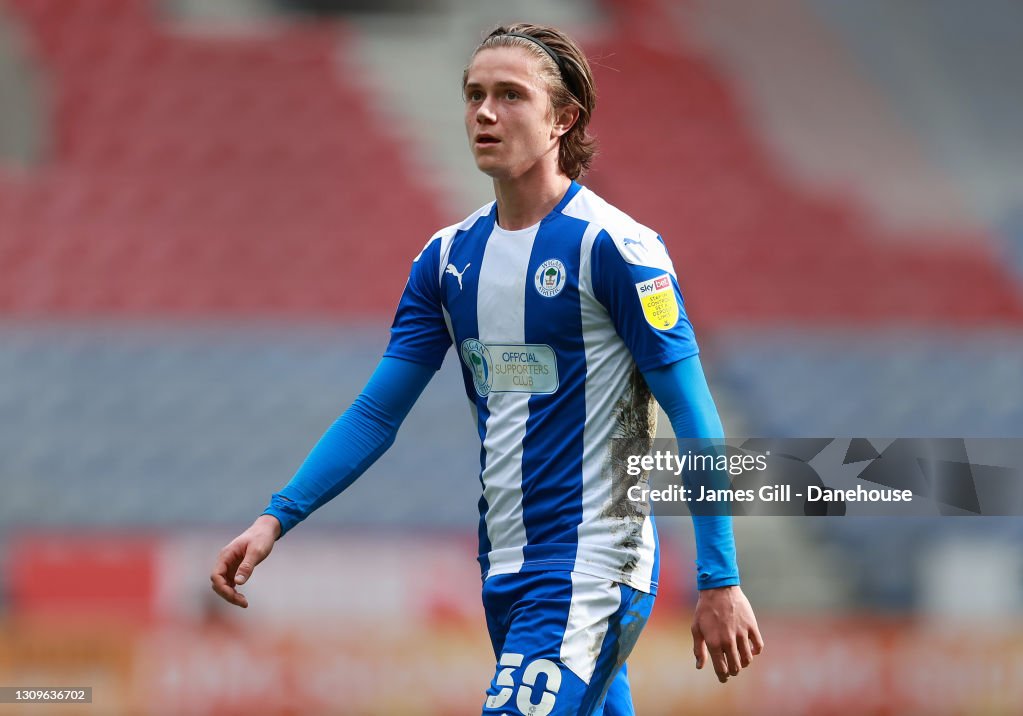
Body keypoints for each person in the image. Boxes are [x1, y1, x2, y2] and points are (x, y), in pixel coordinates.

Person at [211, 22, 763, 715]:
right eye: (474, 94)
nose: (485, 113)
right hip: (506, 573)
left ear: (564, 119)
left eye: (510, 95)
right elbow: (377, 413)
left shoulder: (616, 248)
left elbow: (693, 413)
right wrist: (274, 519)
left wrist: (720, 577)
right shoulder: (446, 261)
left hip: (592, 568)